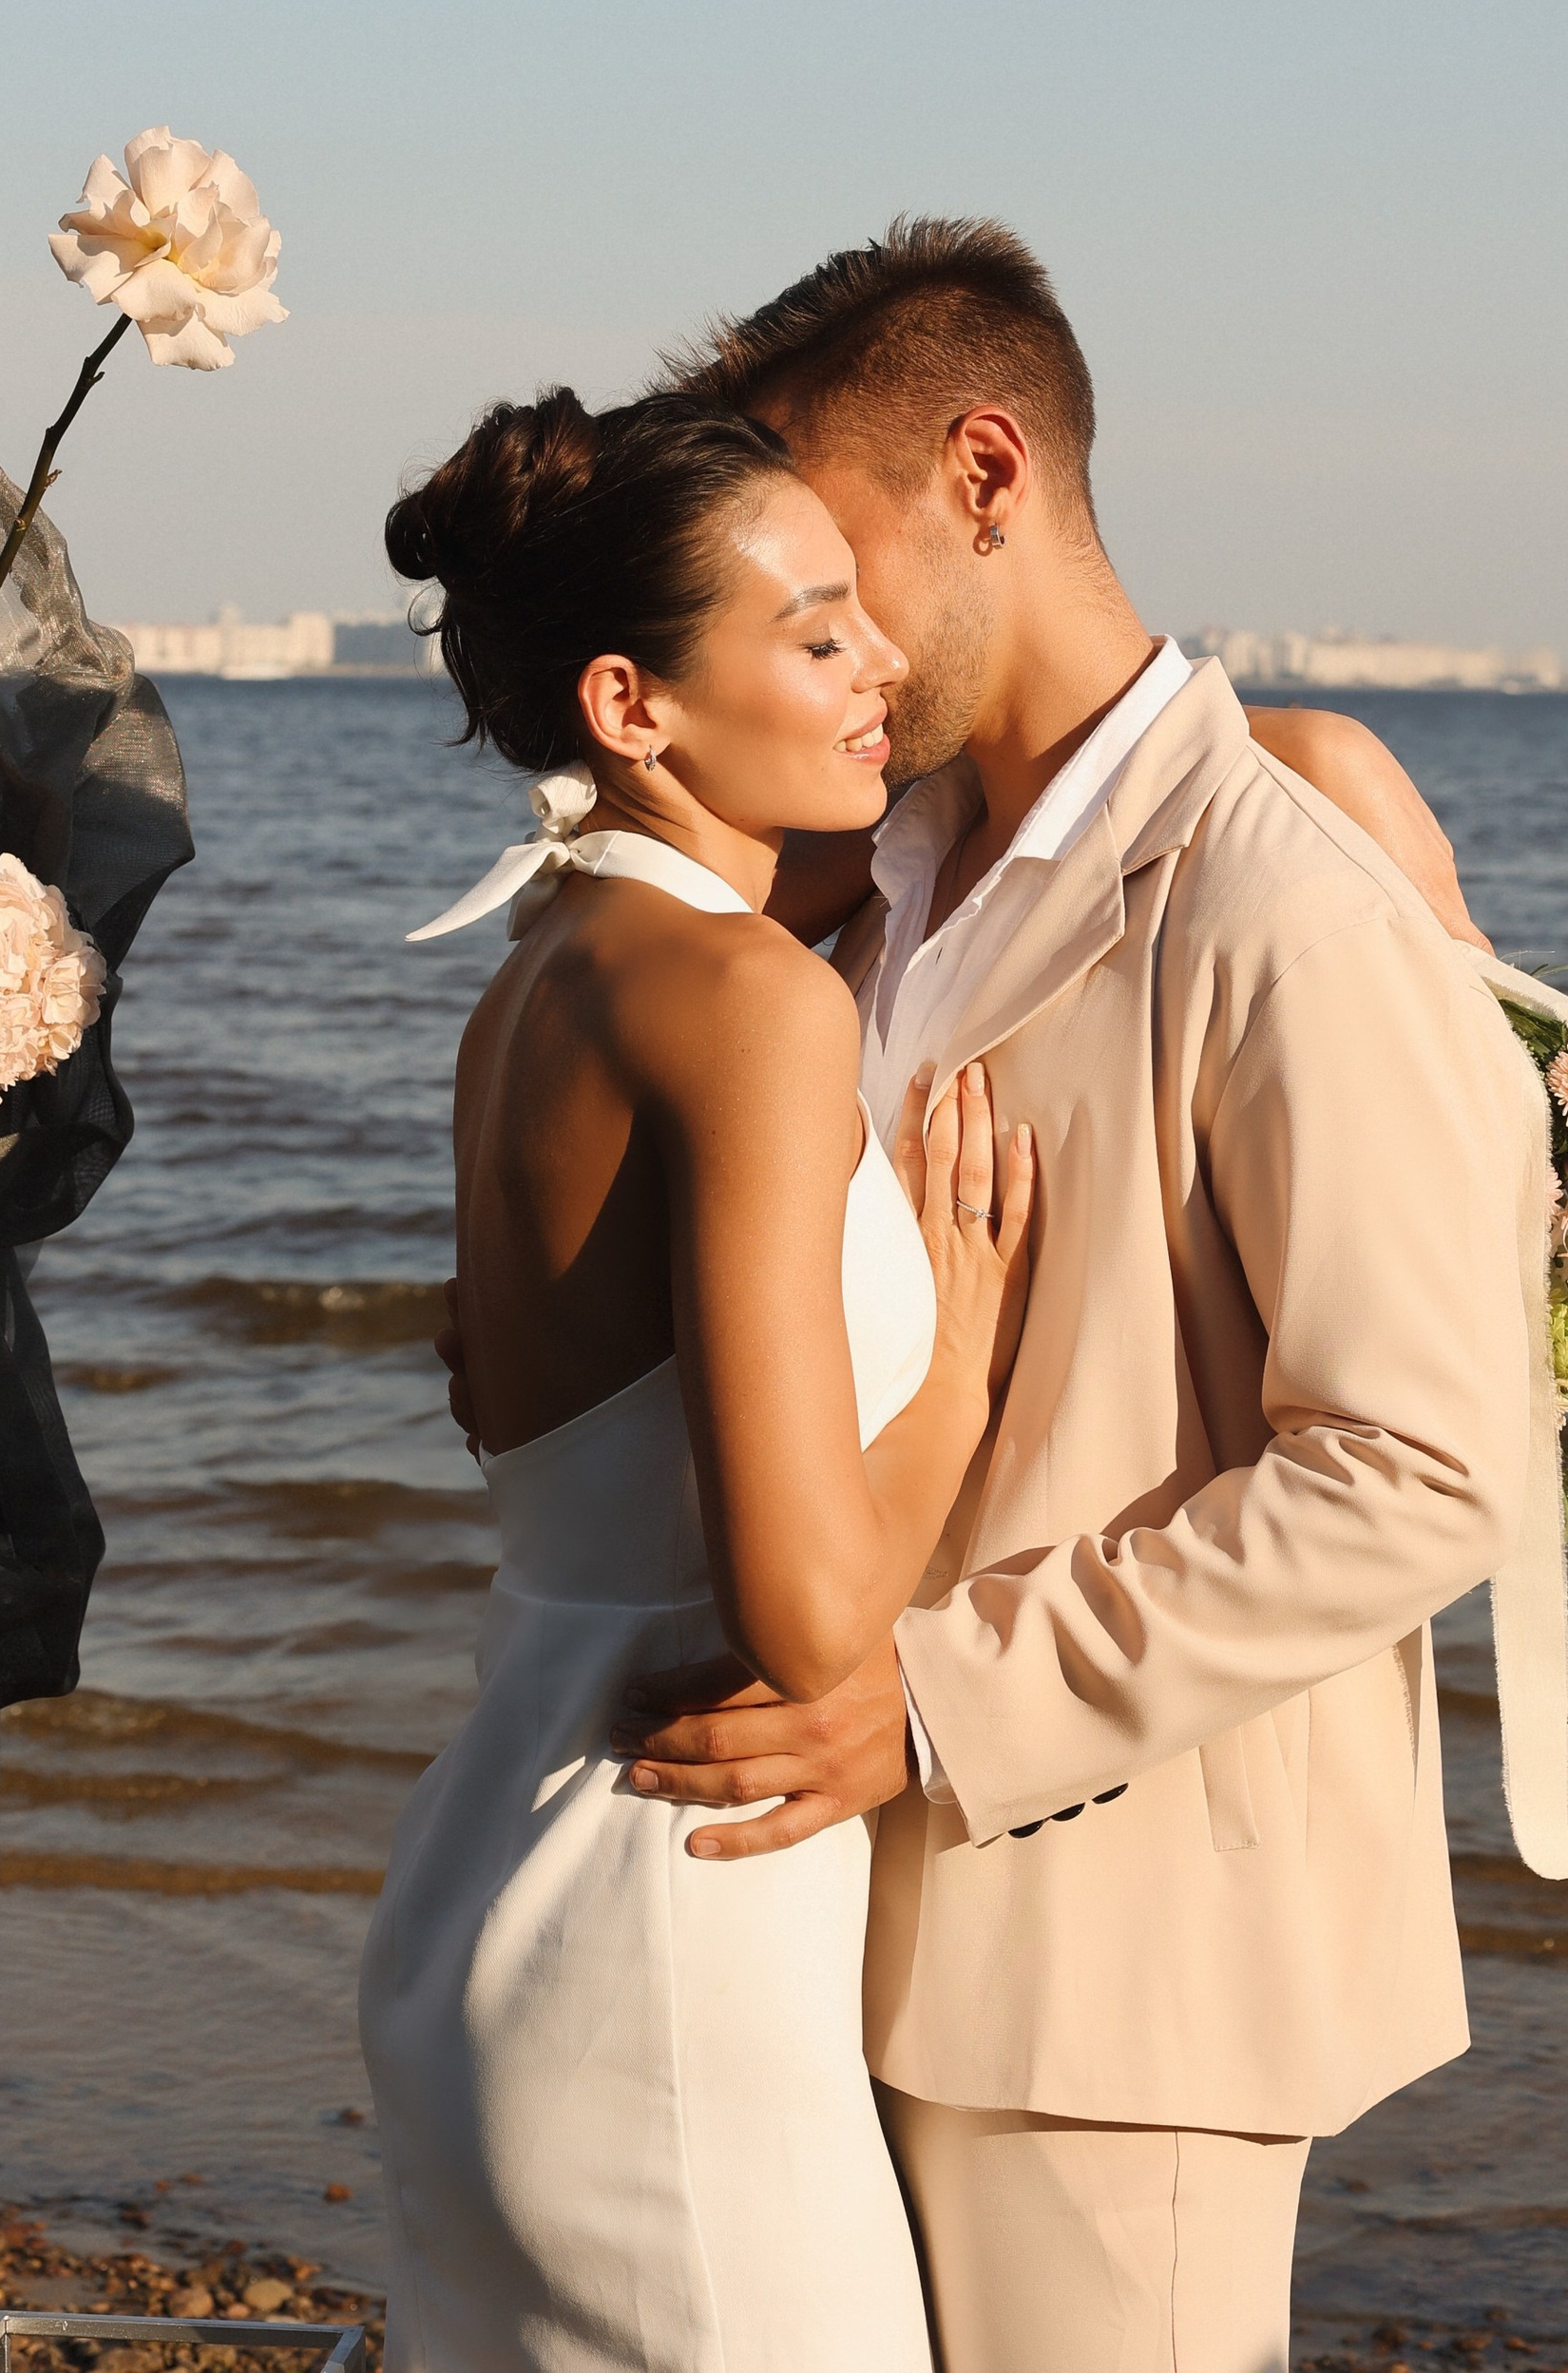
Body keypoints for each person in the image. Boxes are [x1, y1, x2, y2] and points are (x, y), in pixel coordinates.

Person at [595, 220, 1548, 2373]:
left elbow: (1422, 1469)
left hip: (1124, 1986)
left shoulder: (1285, 904)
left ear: (985, 476)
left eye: (823, 555)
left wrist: (940, 1708)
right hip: (821, 1935)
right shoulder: (864, 876)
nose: (802, 614)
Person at [356, 386, 1033, 2373]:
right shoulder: (743, 1002)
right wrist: (963, 1355)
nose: (882, 663)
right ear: (631, 707)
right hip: (661, 1958)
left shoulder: (540, 976)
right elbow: (805, 1622)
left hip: (496, 1897)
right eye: (815, 636)